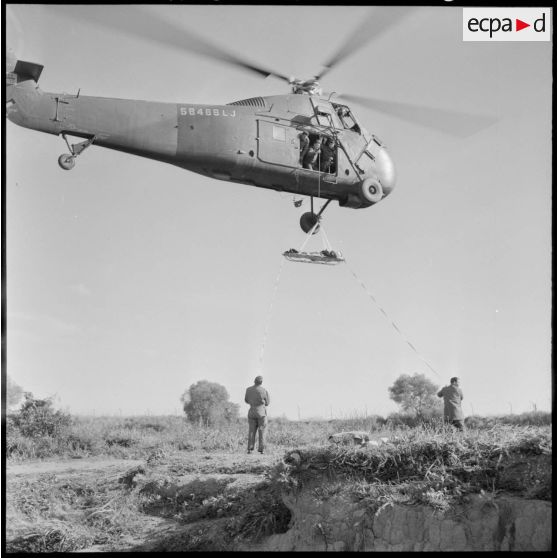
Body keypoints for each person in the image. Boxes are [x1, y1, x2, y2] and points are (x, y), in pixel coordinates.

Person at [244, 375, 270, 454]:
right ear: (261, 382)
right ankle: (261, 450)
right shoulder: (264, 390)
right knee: (262, 430)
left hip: (251, 412)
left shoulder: (248, 389)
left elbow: (246, 400)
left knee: (251, 431)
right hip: (261, 413)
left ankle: (250, 449)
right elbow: (267, 403)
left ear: (254, 381)